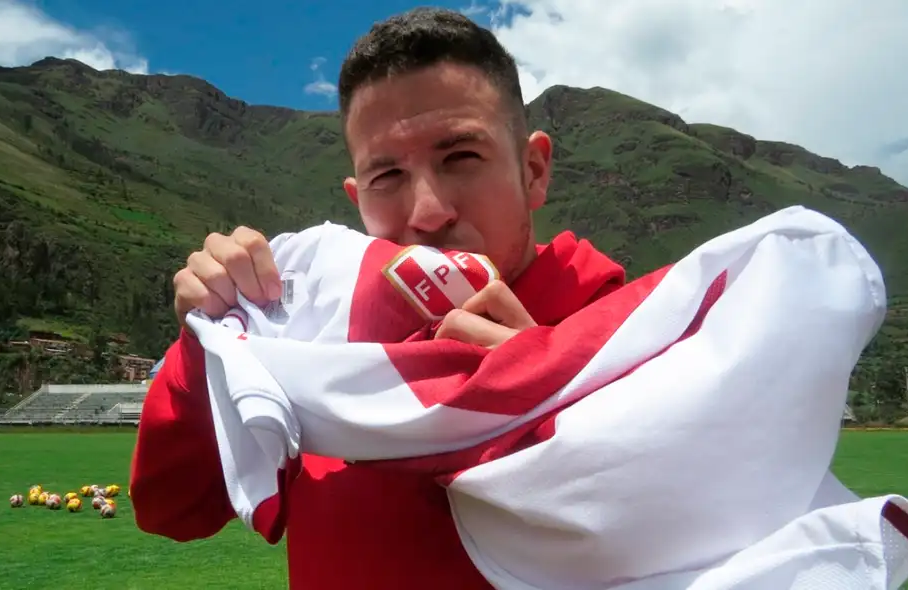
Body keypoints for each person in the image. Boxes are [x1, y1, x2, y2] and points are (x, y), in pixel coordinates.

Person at [130, 7, 626, 589]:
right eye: (386, 177)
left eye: (461, 157)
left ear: (534, 170)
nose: (428, 212)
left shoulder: (634, 338)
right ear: (355, 197)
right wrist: (208, 344)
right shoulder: (315, 325)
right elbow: (172, 510)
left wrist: (548, 406)